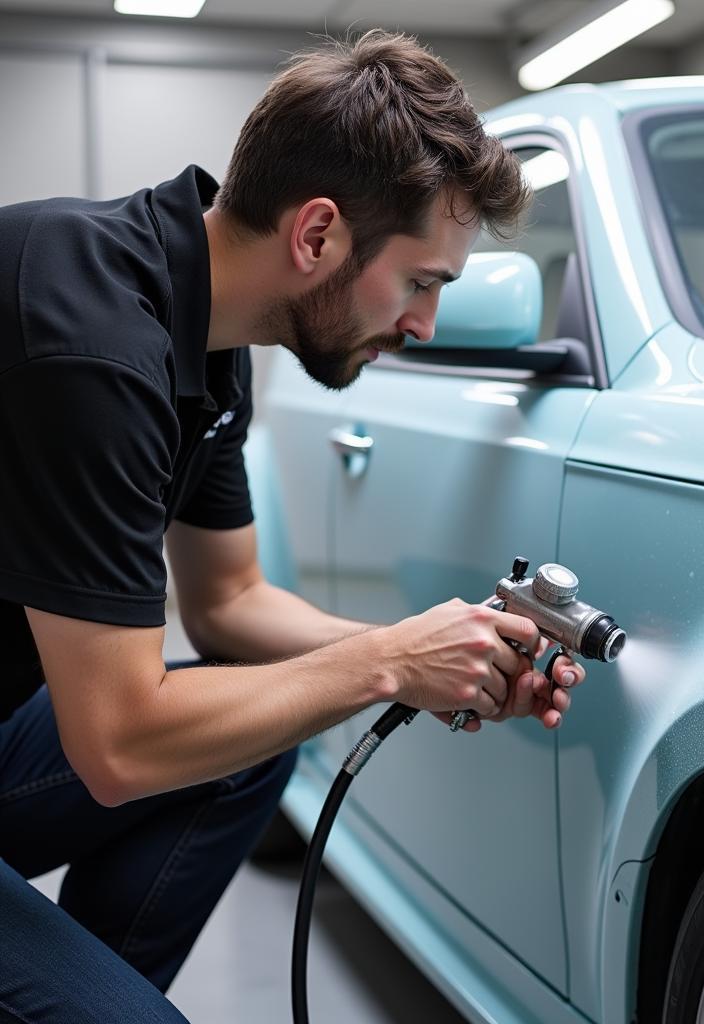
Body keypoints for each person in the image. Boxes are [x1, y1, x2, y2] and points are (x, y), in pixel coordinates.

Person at [0, 30, 585, 1023]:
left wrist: (447, 652)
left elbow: (228, 603)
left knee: (257, 737)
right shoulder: (93, 346)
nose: (423, 325)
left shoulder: (207, 334)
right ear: (316, 235)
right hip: (75, 734)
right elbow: (119, 746)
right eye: (420, 281)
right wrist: (389, 664)